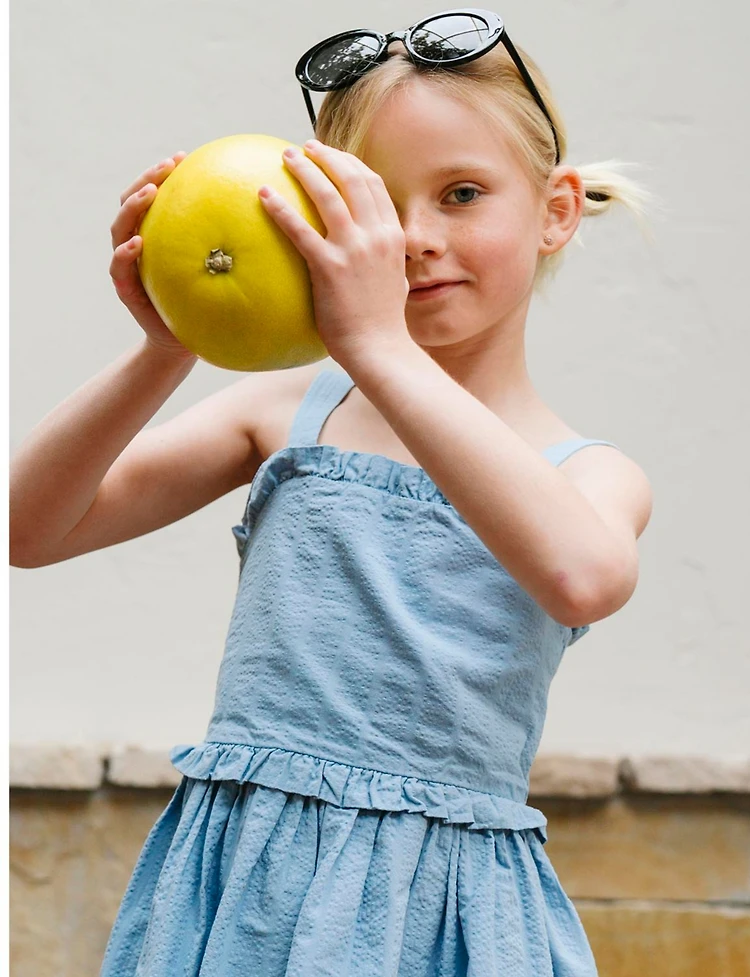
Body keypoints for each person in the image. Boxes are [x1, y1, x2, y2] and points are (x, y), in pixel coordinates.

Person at [10, 13, 655, 976]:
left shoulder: (587, 471)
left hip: (440, 912)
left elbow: (584, 577)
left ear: (556, 210)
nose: (416, 238)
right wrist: (167, 345)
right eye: (378, 203)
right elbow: (30, 526)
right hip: (245, 891)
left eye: (463, 194)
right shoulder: (290, 412)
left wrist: (381, 346)